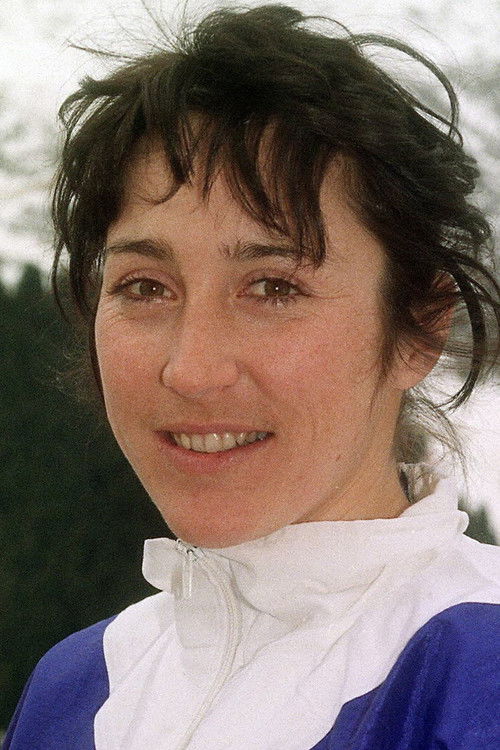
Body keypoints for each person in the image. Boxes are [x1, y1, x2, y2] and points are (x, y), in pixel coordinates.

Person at [4, 4, 500, 749]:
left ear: (419, 328)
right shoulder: (75, 687)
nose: (191, 369)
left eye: (273, 288)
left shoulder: (475, 679)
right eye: (145, 287)